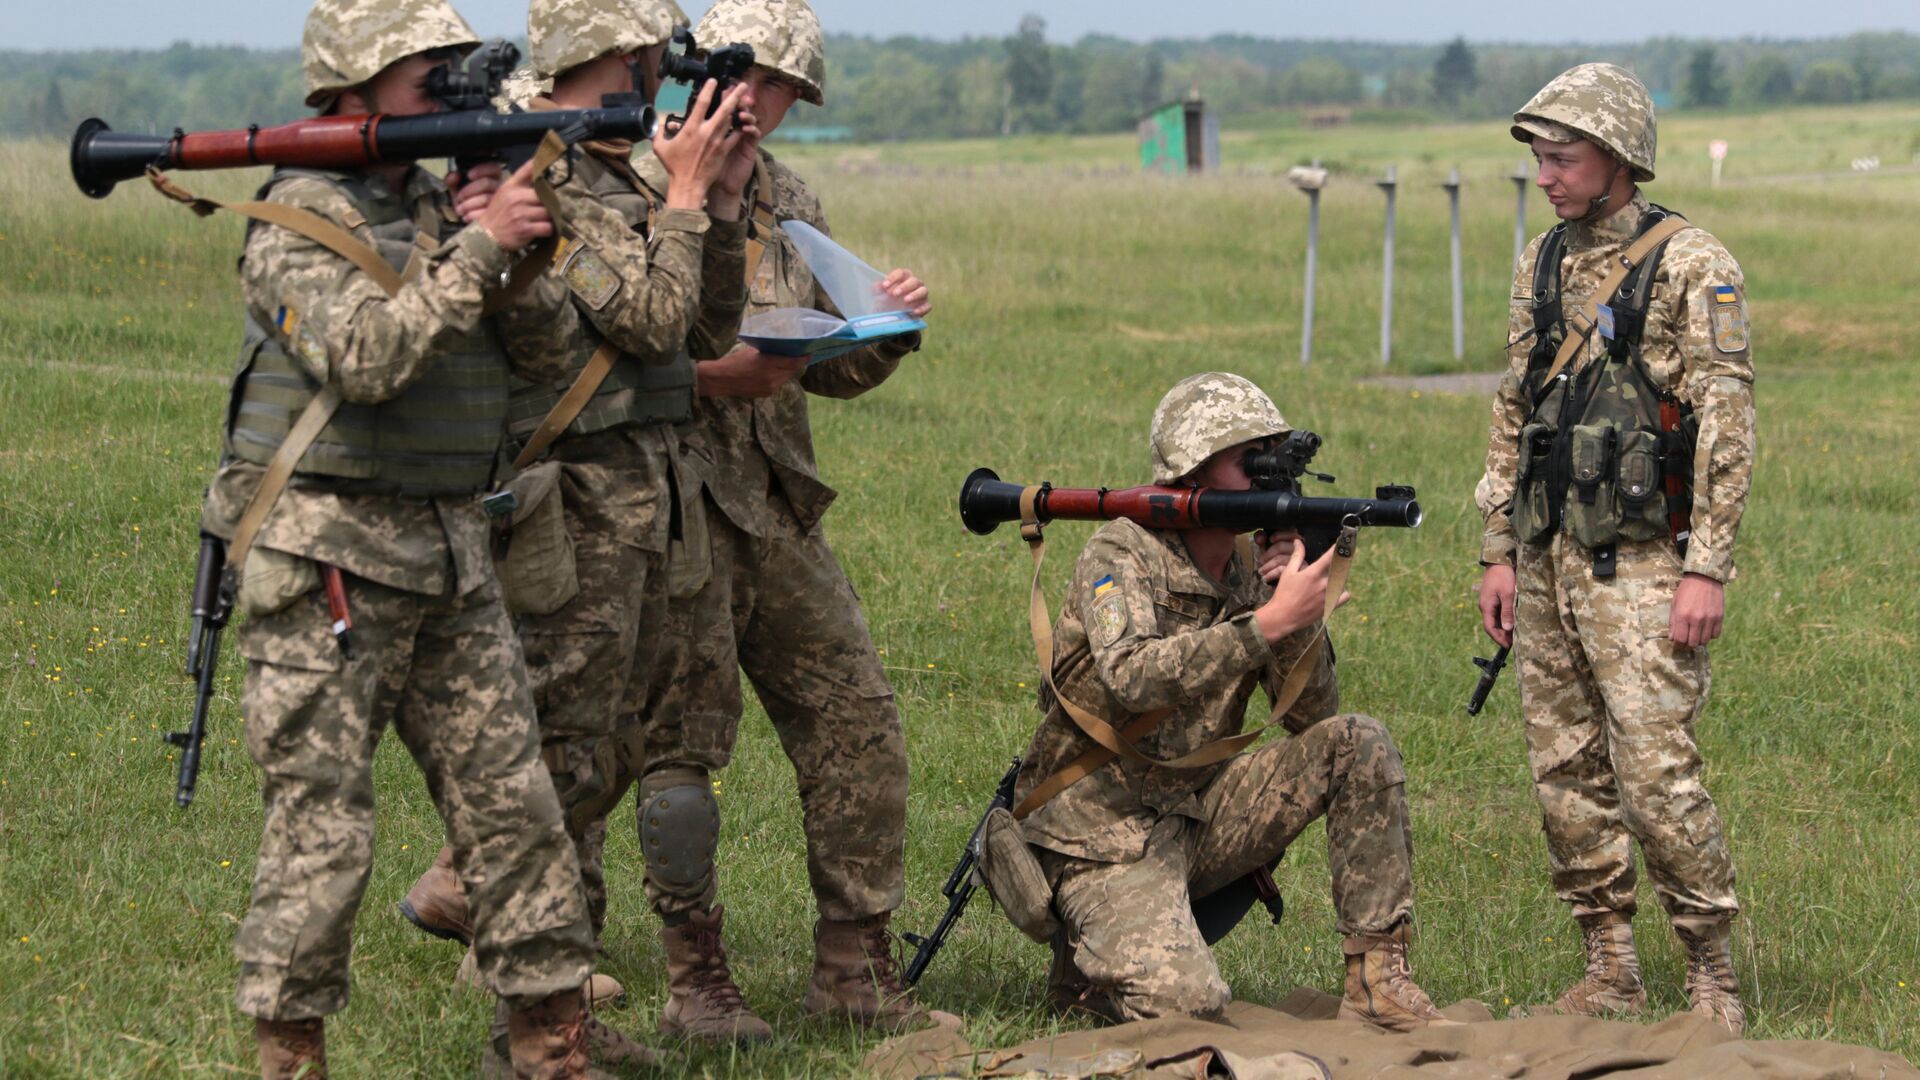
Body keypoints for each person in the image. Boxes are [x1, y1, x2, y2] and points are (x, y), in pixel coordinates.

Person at [203, 0, 617, 1074]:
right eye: (427, 74)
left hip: (448, 557)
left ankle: (548, 1045)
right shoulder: (293, 220)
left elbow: (539, 358)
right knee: (324, 839)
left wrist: (514, 245)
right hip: (329, 567)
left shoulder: (441, 207)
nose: (449, 89)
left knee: (518, 818)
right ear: (351, 89)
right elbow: (370, 359)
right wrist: (479, 246)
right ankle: (290, 1057)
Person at [392, 0, 764, 1055]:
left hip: (640, 493)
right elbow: (644, 319)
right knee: (563, 753)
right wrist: (688, 194)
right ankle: (490, 912)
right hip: (573, 502)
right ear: (579, 61)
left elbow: (701, 326)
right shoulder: (538, 182)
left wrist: (720, 205)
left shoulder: (607, 175)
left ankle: (557, 1016)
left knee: (610, 750)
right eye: (634, 57)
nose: (653, 73)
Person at [595, 0, 934, 1038]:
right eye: (753, 82)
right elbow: (588, 363)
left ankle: (855, 966)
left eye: (785, 91)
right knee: (660, 747)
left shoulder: (789, 197)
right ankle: (691, 980)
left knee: (856, 718)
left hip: (776, 506)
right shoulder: (627, 181)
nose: (764, 106)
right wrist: (713, 377)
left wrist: (885, 330)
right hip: (665, 506)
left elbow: (821, 357)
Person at [1007, 372, 1449, 1032]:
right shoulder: (1119, 553)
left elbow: (1312, 719)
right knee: (1192, 1012)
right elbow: (1131, 678)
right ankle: (1086, 963)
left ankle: (1377, 980)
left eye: (1275, 457)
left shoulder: (1248, 563)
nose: (1271, 478)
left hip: (1194, 810)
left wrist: (1296, 619)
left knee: (1358, 742)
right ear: (1193, 471)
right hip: (1097, 834)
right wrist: (1264, 626)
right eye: (1252, 460)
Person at [1473, 62, 1755, 1035]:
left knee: (1656, 778)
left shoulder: (1693, 262)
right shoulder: (1541, 262)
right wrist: (1496, 551)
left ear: (1619, 157)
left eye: (1564, 157)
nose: (1547, 176)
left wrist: (1706, 565)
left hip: (1645, 566)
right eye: (1541, 159)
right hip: (1549, 559)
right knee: (1566, 774)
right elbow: (1514, 410)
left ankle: (1711, 976)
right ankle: (1609, 967)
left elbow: (1726, 421)